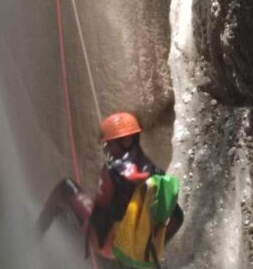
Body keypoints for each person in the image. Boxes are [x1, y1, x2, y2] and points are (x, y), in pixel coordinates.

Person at [37, 111, 183, 260]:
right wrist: (154, 246)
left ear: (121, 141)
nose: (107, 148)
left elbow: (100, 208)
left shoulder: (115, 169)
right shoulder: (156, 172)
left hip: (108, 243)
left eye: (109, 143)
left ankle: (34, 237)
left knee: (66, 187)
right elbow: (178, 217)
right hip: (137, 249)